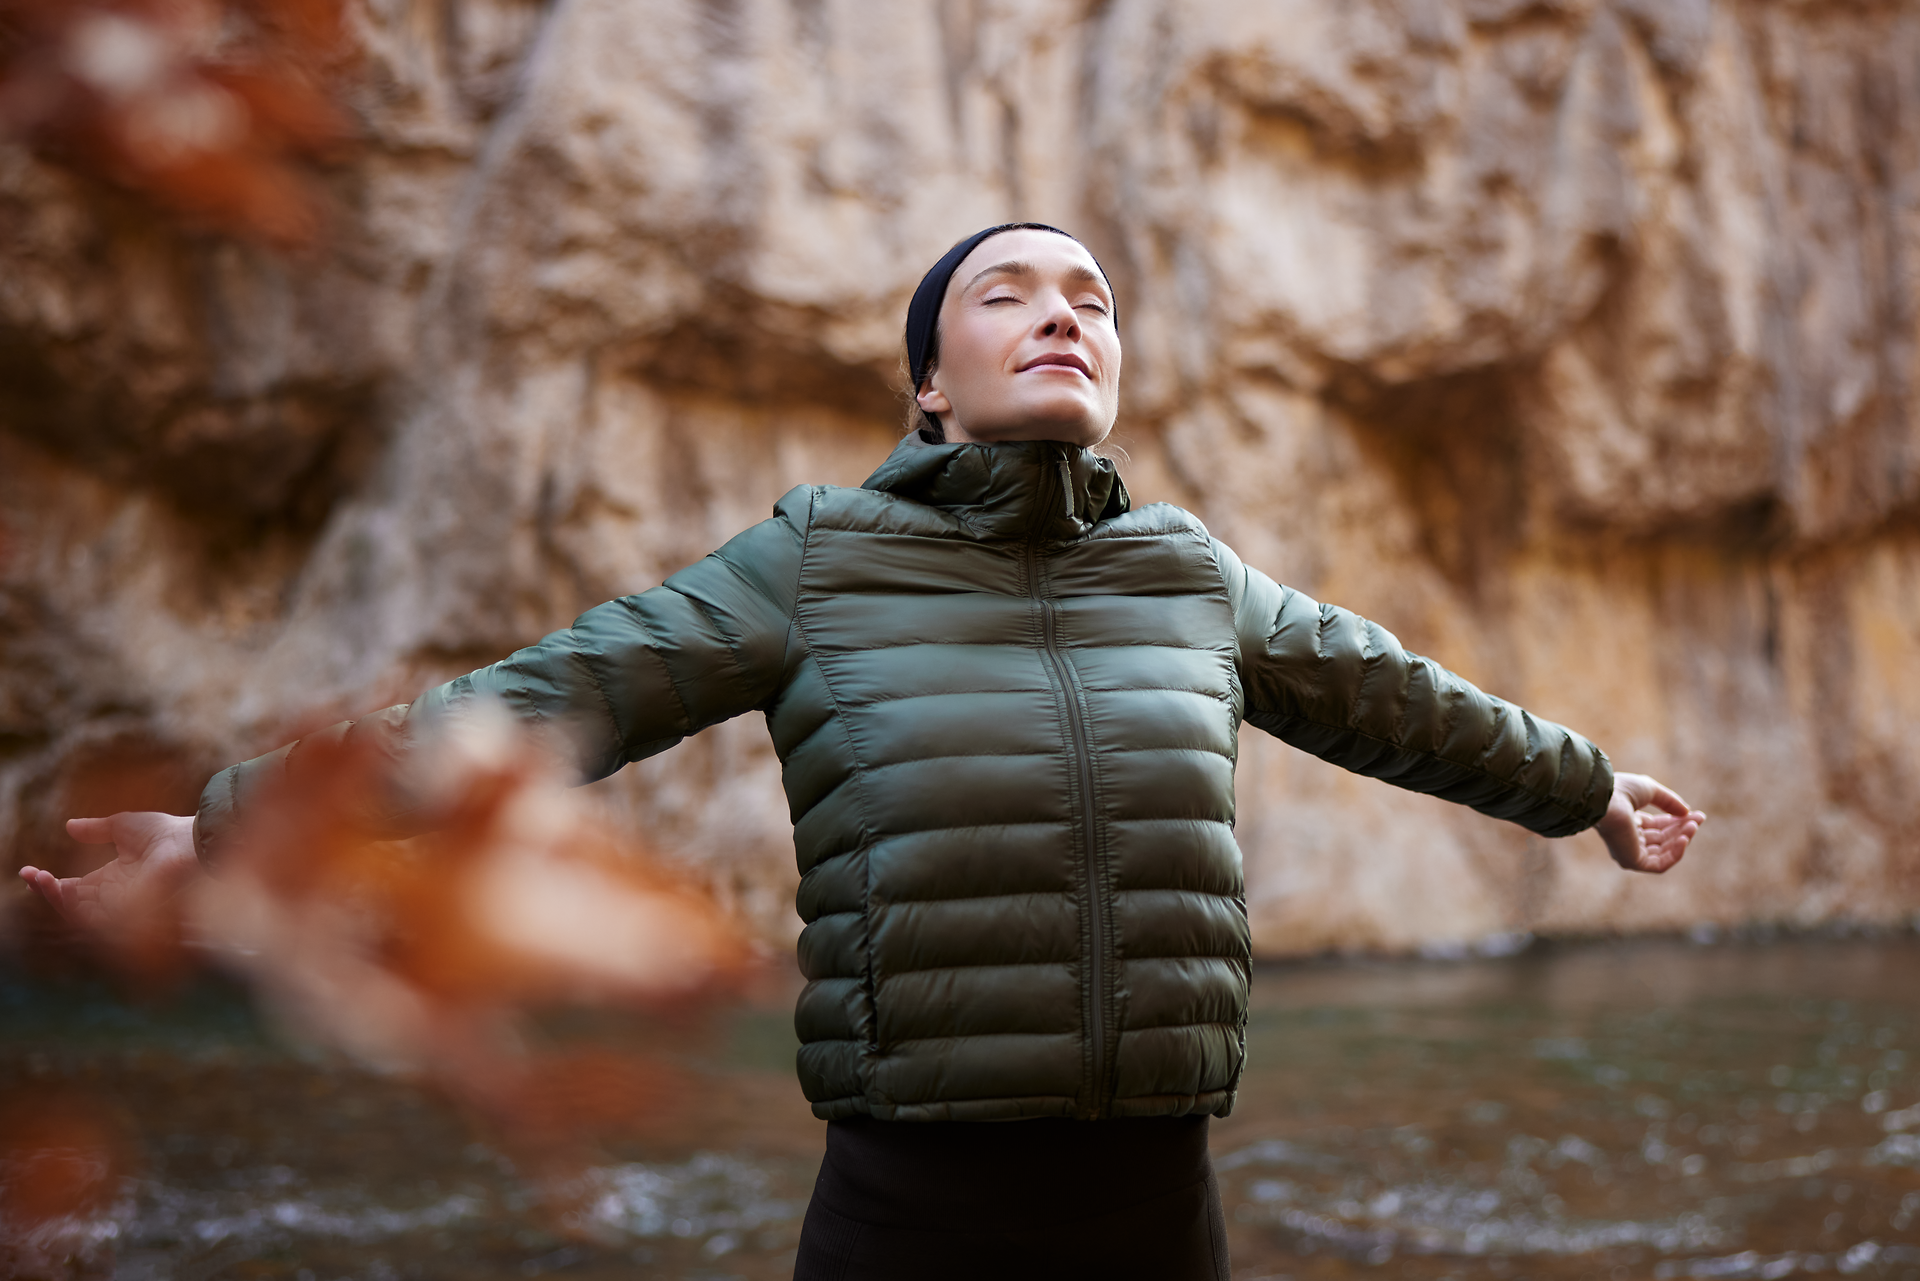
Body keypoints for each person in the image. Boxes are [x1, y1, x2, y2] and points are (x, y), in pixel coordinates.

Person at [22, 222, 1705, 1280]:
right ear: (929, 389)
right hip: (916, 1200)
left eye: (1093, 299)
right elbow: (538, 700)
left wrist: (1582, 788)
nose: (1063, 314)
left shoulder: (1187, 573)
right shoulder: (817, 561)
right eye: (1007, 293)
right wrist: (232, 828)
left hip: (1158, 1192)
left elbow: (1394, 697)